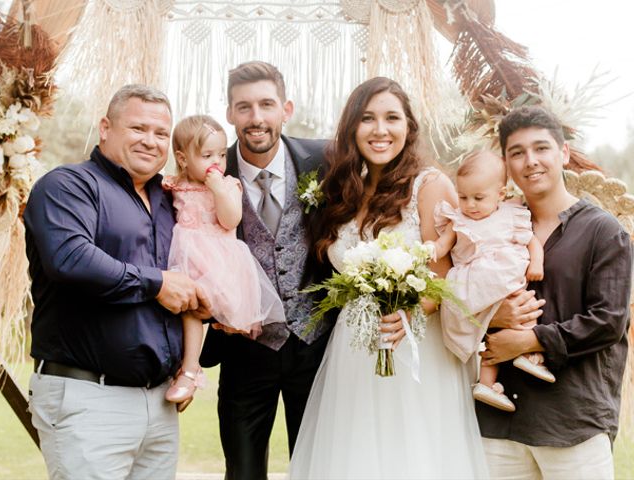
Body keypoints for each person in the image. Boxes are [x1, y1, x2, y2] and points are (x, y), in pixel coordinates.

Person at [288, 77, 489, 479]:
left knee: (411, 457)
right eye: (368, 119)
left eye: (392, 118)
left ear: (409, 127)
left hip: (414, 346)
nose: (380, 130)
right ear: (352, 128)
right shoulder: (344, 191)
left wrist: (409, 313)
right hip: (352, 346)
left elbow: (446, 276)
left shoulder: (430, 186)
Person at [23, 84, 210, 480]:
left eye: (161, 133)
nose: (150, 141)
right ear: (106, 127)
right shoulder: (68, 186)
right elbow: (71, 260)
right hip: (88, 397)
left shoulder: (170, 200)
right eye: (138, 128)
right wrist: (158, 283)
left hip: (160, 404)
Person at [477, 105, 632, 479]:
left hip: (573, 422)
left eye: (541, 148)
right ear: (506, 163)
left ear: (563, 153)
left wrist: (529, 340)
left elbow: (608, 321)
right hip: (499, 424)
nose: (530, 161)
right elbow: (462, 295)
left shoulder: (604, 232)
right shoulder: (494, 225)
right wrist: (489, 318)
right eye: (517, 152)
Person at [198, 61, 335, 480]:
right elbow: (188, 246)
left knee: (316, 468)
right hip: (243, 349)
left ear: (285, 109)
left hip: (315, 346)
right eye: (244, 107)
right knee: (241, 471)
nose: (256, 118)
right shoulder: (208, 173)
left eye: (266, 105)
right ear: (229, 113)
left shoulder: (324, 159)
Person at [162, 114, 285, 410]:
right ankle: (182, 370)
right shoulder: (173, 184)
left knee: (197, 308)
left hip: (220, 261)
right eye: (207, 155)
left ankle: (190, 371)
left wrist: (217, 187)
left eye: (221, 153)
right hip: (186, 257)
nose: (217, 161)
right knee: (186, 307)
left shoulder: (228, 185)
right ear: (182, 159)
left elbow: (231, 219)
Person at [427, 149, 552, 413]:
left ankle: (519, 361)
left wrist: (537, 263)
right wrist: (431, 250)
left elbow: (532, 242)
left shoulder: (511, 215)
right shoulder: (458, 219)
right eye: (463, 197)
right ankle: (488, 381)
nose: (469, 205)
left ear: (501, 194)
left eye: (478, 198)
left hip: (504, 278)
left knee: (521, 307)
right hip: (474, 284)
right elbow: (443, 244)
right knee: (485, 330)